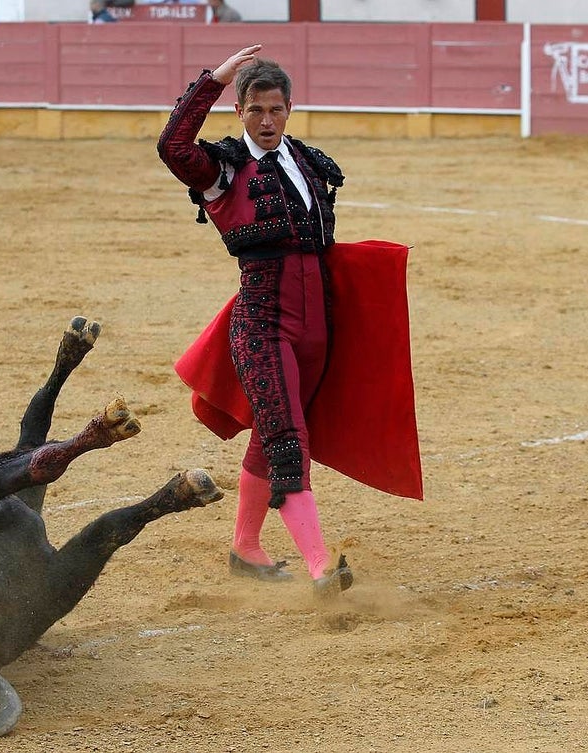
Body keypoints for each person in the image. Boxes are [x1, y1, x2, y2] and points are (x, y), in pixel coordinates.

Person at [158, 45, 355, 596]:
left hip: (317, 327)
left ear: (289, 108)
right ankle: (321, 570)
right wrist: (215, 79)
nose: (266, 121)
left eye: (275, 110)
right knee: (287, 438)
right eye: (254, 111)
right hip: (263, 325)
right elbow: (172, 146)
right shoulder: (223, 170)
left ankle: (246, 547)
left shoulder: (310, 163)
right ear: (239, 112)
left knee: (274, 437)